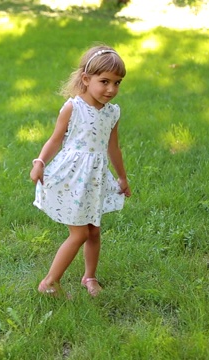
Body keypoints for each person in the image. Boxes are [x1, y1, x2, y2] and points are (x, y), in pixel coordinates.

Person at [30, 44, 132, 298]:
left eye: (117, 83)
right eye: (104, 81)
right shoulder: (73, 108)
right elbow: (55, 140)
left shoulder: (112, 113)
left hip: (93, 179)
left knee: (94, 229)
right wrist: (40, 162)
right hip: (72, 177)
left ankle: (89, 276)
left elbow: (113, 147)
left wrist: (121, 176)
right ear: (86, 79)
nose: (111, 89)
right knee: (79, 233)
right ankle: (49, 282)